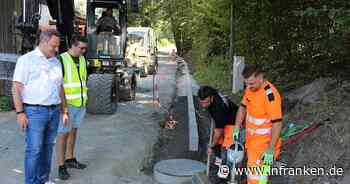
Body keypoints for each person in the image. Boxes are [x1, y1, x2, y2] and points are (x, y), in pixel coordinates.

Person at [12, 29, 69, 184]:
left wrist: (64, 110)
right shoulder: (26, 60)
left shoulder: (56, 62)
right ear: (43, 42)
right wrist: (20, 113)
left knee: (48, 148)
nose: (56, 49)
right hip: (34, 112)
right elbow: (16, 87)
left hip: (54, 111)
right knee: (34, 150)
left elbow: (60, 88)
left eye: (57, 46)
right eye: (54, 46)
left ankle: (43, 180)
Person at [233, 64, 283, 184]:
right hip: (252, 142)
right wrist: (236, 125)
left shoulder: (270, 96)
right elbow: (243, 107)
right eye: (246, 83)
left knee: (257, 178)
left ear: (260, 77)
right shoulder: (250, 89)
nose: (248, 87)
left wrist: (270, 150)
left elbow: (277, 124)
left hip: (264, 146)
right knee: (258, 178)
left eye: (251, 83)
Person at [56, 35, 88, 180]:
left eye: (85, 48)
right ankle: (61, 166)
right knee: (63, 135)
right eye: (81, 48)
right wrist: (64, 109)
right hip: (67, 104)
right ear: (73, 45)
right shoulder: (61, 59)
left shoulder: (82, 59)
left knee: (73, 132)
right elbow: (59, 86)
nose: (84, 51)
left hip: (80, 103)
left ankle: (70, 159)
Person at [198, 86, 238, 167]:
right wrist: (214, 144)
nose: (204, 106)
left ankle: (227, 171)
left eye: (206, 102)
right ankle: (218, 163)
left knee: (228, 147)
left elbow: (219, 131)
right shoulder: (212, 93)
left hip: (233, 121)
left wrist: (211, 145)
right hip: (223, 118)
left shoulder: (218, 109)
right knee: (217, 143)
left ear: (212, 98)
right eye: (202, 103)